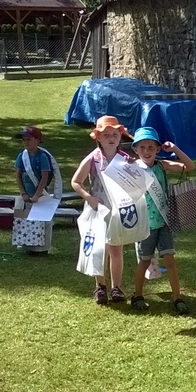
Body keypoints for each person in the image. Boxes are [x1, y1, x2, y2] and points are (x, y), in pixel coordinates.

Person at [128, 126, 195, 314]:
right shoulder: (133, 168)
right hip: (145, 225)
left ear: (158, 149)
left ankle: (177, 298)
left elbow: (190, 167)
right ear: (136, 149)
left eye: (151, 147)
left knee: (170, 260)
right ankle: (137, 295)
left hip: (164, 222)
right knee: (144, 261)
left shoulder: (161, 165)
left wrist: (174, 149)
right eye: (142, 147)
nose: (147, 151)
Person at [70, 115, 132, 304]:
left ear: (120, 136)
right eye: (106, 135)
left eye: (115, 134)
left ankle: (117, 288)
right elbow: (76, 181)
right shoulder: (93, 159)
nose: (111, 138)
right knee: (99, 248)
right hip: (98, 209)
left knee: (116, 249)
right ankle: (100, 286)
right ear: (98, 137)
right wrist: (89, 198)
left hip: (118, 209)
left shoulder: (125, 159)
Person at [13, 125, 60, 255]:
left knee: (42, 221)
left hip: (40, 195)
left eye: (28, 139)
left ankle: (41, 249)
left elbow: (44, 177)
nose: (25, 142)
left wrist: (37, 195)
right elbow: (18, 175)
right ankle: (26, 246)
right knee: (24, 219)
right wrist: (23, 193)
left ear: (37, 140)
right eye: (23, 140)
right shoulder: (22, 156)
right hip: (26, 194)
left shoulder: (42, 156)